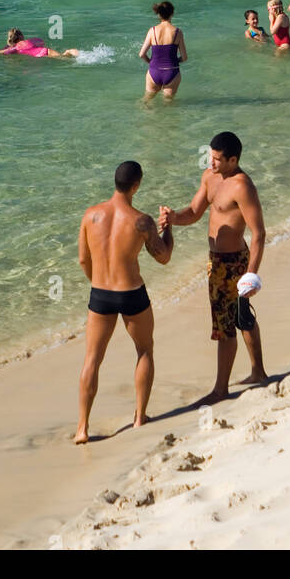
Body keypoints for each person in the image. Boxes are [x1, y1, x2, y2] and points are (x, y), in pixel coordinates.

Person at [159, 131, 267, 404]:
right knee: (239, 319)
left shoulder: (243, 186)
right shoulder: (209, 177)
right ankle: (258, 373)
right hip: (216, 263)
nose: (212, 163)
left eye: (218, 159)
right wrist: (172, 217)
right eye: (211, 157)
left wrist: (251, 274)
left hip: (236, 264)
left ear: (233, 159)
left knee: (227, 326)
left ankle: (221, 390)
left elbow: (259, 233)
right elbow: (194, 213)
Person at [75, 160, 173, 443]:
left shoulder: (90, 215)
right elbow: (164, 257)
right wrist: (168, 229)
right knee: (144, 351)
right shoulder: (142, 221)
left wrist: (98, 282)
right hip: (131, 293)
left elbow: (83, 258)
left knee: (92, 359)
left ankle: (82, 428)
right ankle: (140, 417)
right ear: (136, 185)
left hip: (100, 294)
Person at [139, 0, 187, 100]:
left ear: (159, 14)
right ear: (172, 13)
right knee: (168, 106)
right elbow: (184, 57)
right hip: (171, 72)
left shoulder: (152, 30)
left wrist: (151, 62)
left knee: (146, 101)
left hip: (154, 72)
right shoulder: (178, 32)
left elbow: (142, 54)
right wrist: (177, 60)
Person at [0, 27, 78, 58]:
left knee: (65, 58)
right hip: (46, 50)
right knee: (63, 57)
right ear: (21, 36)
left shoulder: (16, 48)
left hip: (42, 54)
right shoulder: (30, 41)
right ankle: (72, 52)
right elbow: (41, 42)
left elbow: (1, 52)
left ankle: (70, 51)